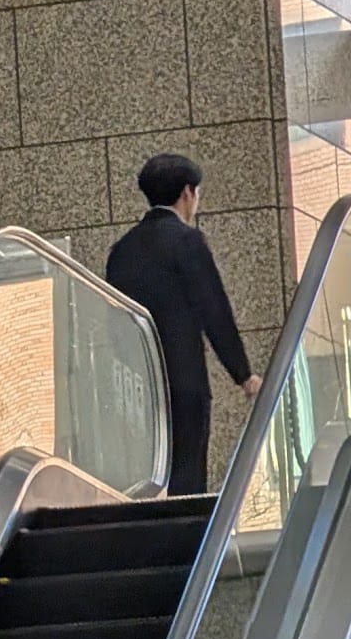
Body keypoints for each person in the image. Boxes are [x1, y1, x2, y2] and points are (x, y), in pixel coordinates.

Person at [103, 152, 259, 497]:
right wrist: (243, 374)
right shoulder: (187, 242)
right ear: (188, 193)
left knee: (147, 478)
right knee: (187, 478)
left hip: (137, 385)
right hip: (184, 382)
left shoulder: (121, 251)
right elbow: (213, 309)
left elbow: (113, 320)